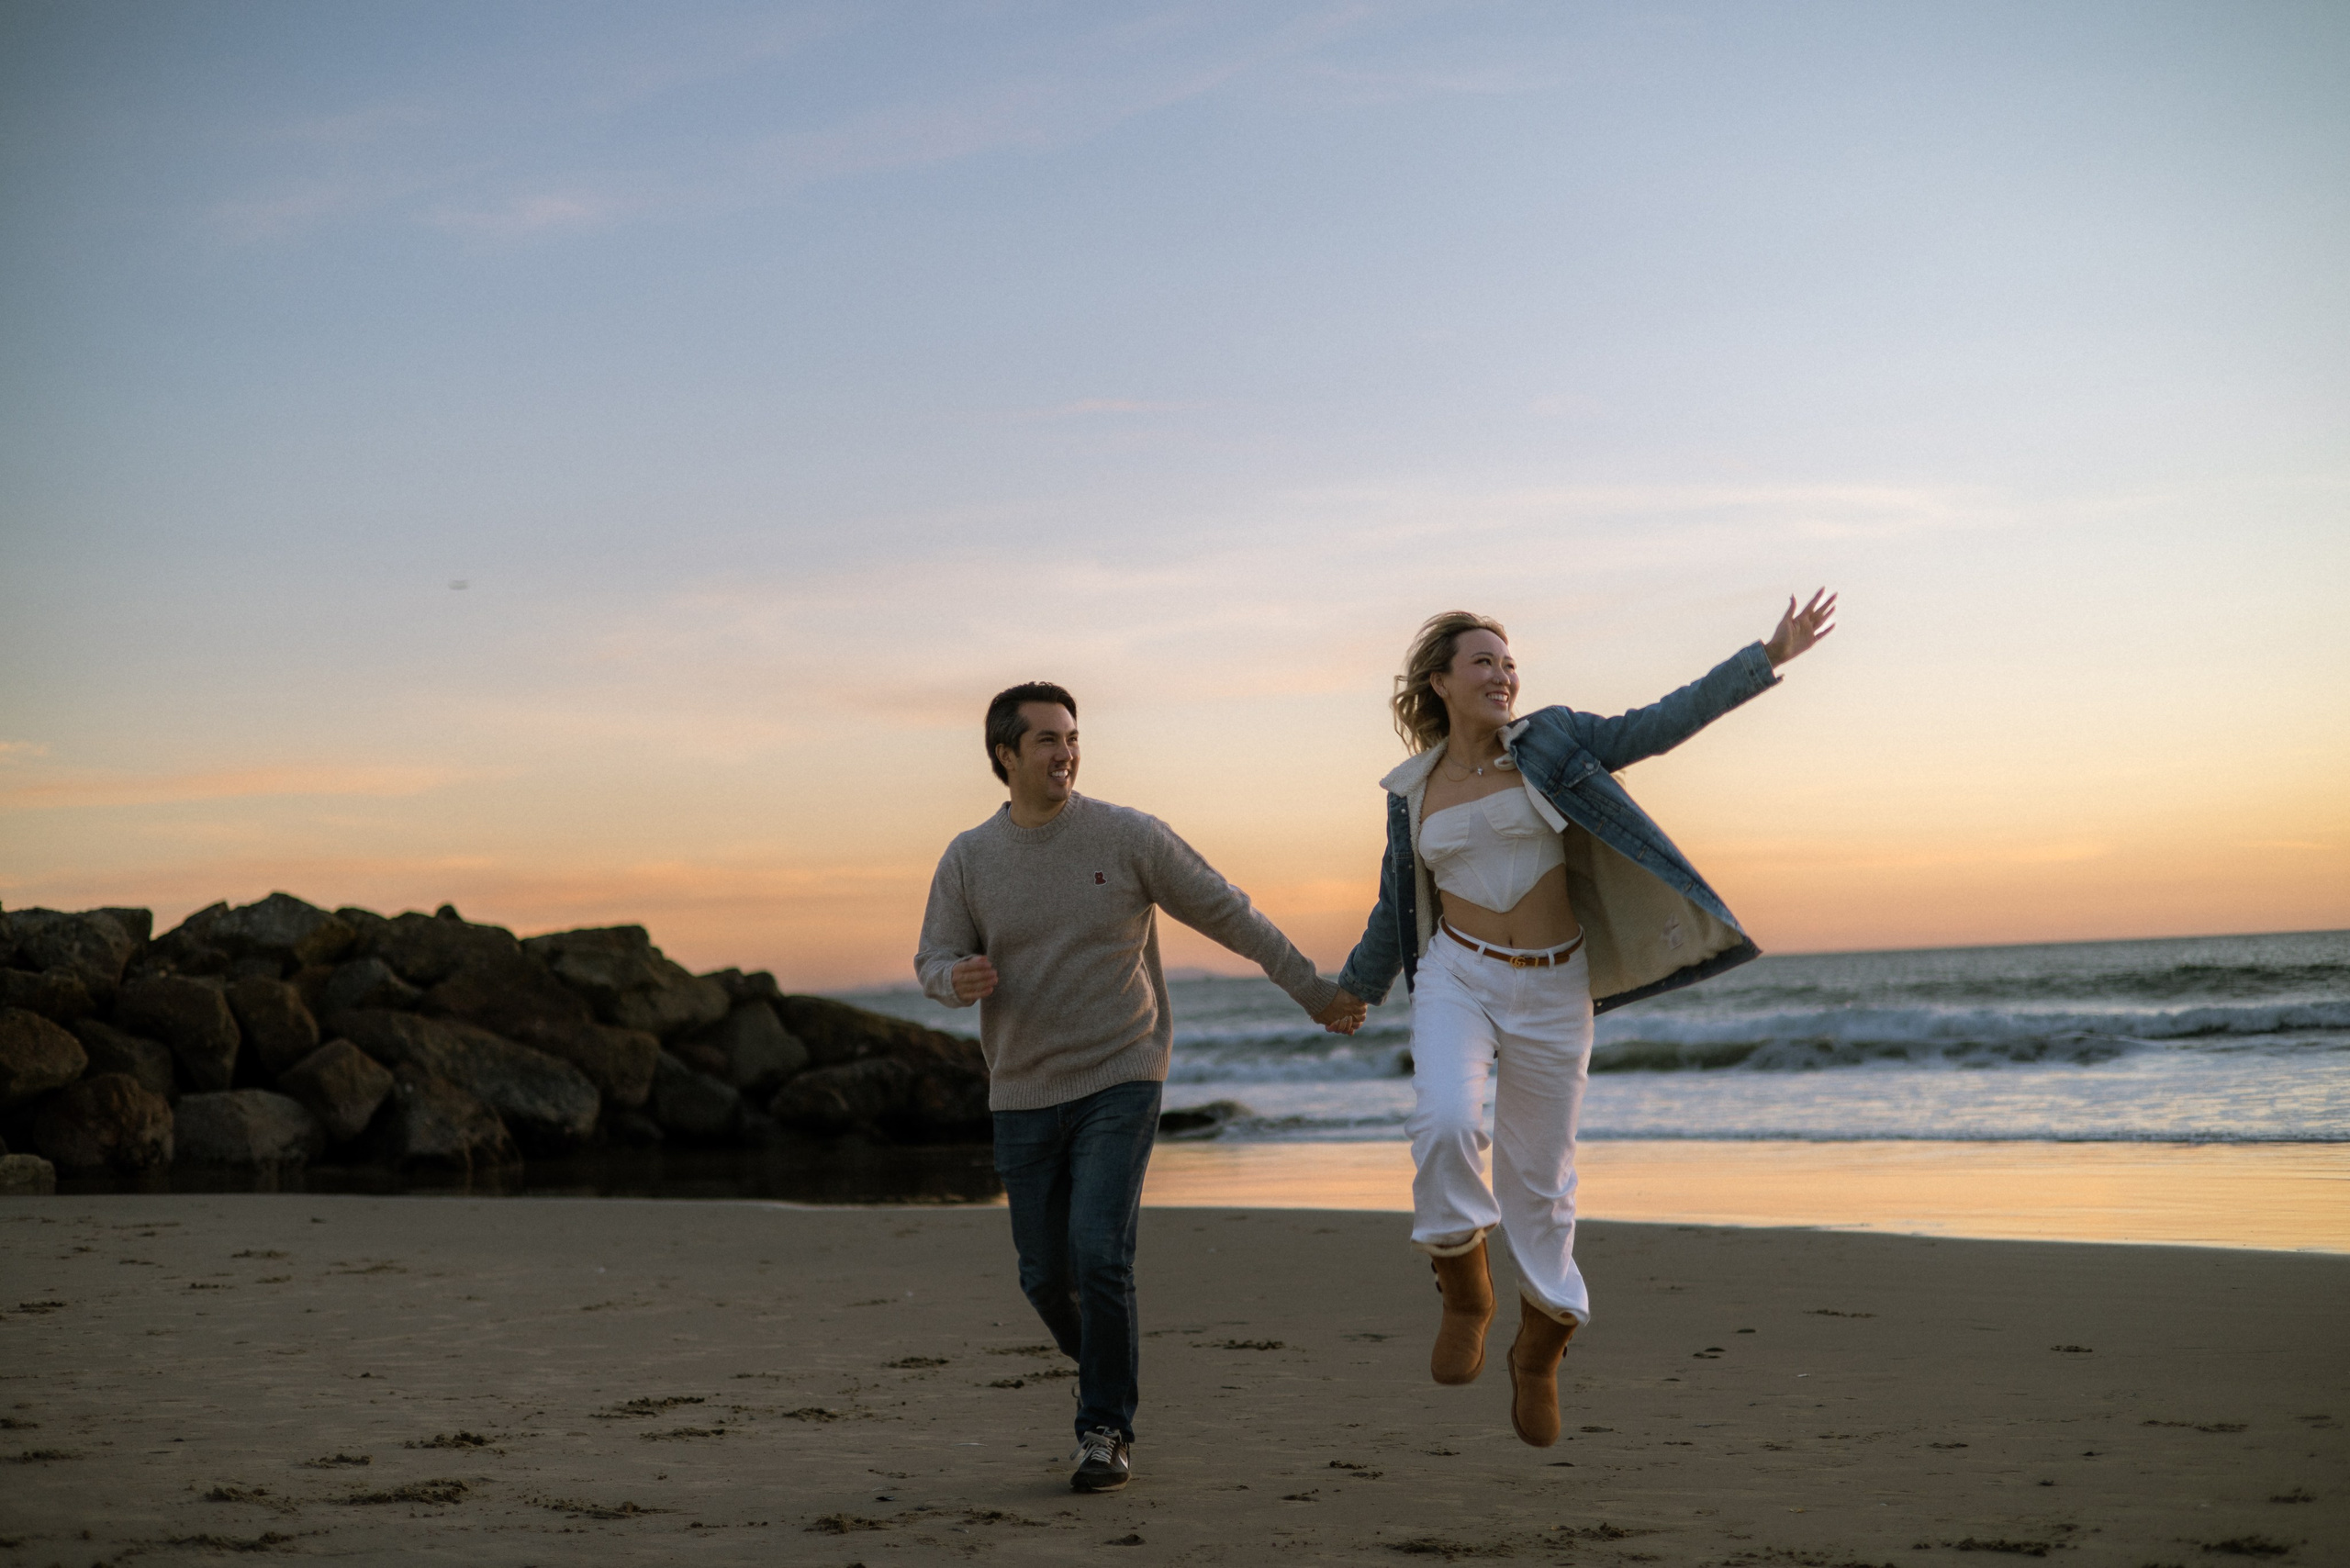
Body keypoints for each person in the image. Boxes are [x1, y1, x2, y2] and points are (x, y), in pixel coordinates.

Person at [1322, 592, 1836, 1447]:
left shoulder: (1553, 739)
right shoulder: (1412, 793)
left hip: (1555, 986)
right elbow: (1393, 904)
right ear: (1440, 684)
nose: (1503, 673)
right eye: (1483, 661)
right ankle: (1465, 1286)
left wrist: (1768, 654)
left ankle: (1543, 1342)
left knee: (1543, 1183)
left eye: (1509, 661)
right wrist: (1354, 990)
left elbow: (1658, 724)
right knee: (1445, 1119)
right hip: (1457, 973)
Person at [915, 680, 1357, 1493]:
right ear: (1005, 755)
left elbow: (1231, 912)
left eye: (1073, 736)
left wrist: (1313, 990)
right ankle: (1111, 1364)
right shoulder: (970, 858)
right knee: (1044, 1276)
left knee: (1099, 1252)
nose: (1067, 751)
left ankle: (1105, 1428)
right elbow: (931, 957)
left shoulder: (1127, 837)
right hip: (1019, 1087)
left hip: (1122, 1070)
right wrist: (956, 978)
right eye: (1047, 739)